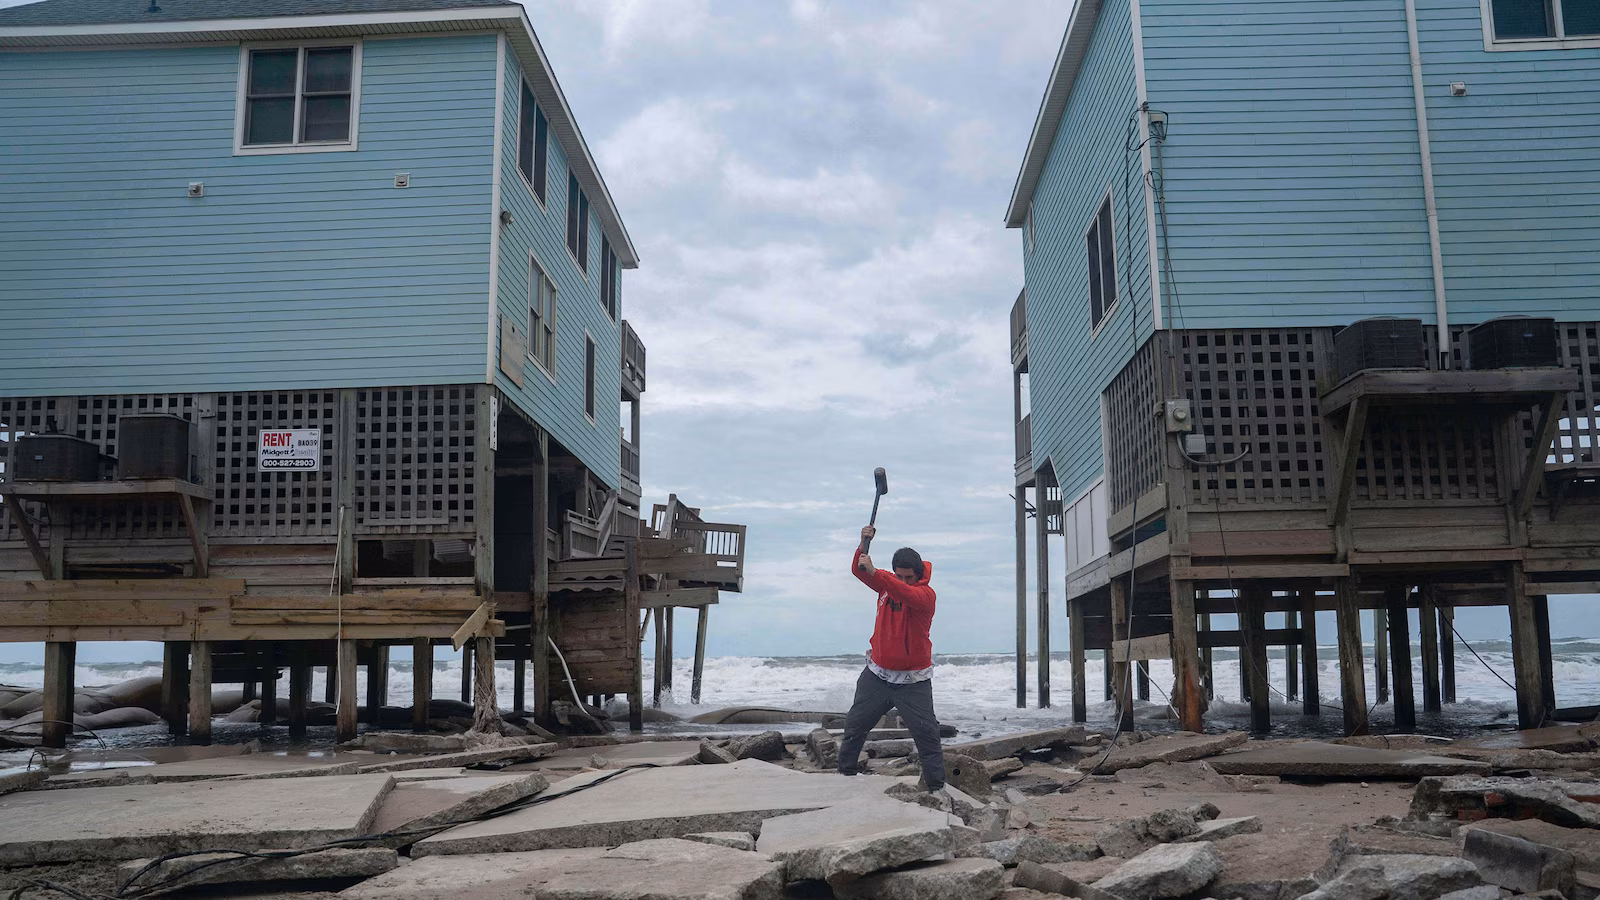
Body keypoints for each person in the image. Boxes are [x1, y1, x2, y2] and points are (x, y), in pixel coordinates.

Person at [838, 524, 944, 792]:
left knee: (927, 736)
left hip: (913, 681)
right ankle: (845, 776)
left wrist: (879, 574)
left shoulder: (925, 595)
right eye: (899, 576)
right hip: (877, 675)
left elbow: (904, 593)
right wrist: (863, 544)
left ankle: (936, 787)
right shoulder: (887, 582)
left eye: (909, 577)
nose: (903, 581)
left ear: (918, 575)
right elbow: (858, 570)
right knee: (855, 726)